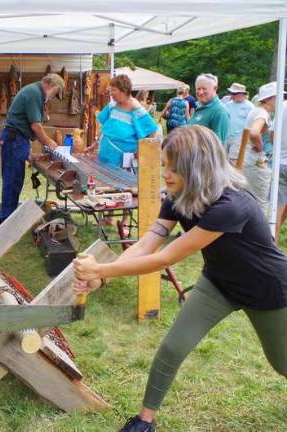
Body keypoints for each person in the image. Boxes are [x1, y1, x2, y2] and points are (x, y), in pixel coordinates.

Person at [73, 125, 287, 432]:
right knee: (173, 347)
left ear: (197, 168)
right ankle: (145, 422)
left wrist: (101, 270)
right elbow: (148, 243)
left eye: (173, 168)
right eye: (164, 165)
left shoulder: (231, 205)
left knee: (282, 363)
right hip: (219, 283)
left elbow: (166, 258)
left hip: (268, 289)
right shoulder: (178, 196)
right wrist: (102, 278)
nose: (165, 174)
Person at [0, 73, 63, 223]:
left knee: (15, 182)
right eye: (55, 93)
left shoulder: (35, 92)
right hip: (14, 139)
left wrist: (28, 153)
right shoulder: (35, 93)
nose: (53, 97)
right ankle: (6, 223)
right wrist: (49, 143)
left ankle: (9, 220)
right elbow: (35, 126)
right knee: (12, 182)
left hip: (16, 140)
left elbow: (26, 126)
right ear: (51, 85)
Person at [88, 74, 159, 168]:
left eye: (114, 90)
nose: (111, 93)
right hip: (105, 153)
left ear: (124, 91)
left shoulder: (136, 109)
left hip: (123, 161)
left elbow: (152, 131)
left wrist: (141, 151)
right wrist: (95, 144)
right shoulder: (112, 105)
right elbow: (105, 127)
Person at [240, 82, 279, 214]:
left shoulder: (256, 110)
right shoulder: (262, 114)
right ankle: (261, 232)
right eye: (277, 97)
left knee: (248, 199)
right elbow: (254, 132)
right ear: (269, 99)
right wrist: (260, 146)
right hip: (256, 163)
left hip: (247, 160)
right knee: (261, 202)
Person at [187, 73, 230, 144]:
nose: (200, 92)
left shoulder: (219, 111)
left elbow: (218, 145)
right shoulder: (200, 105)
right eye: (198, 89)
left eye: (204, 89)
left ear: (215, 88)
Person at [224, 82, 255, 160]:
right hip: (226, 137)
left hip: (239, 139)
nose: (232, 95)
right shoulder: (227, 105)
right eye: (231, 93)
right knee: (223, 160)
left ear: (242, 94)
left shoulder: (250, 107)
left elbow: (253, 124)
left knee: (233, 161)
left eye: (234, 93)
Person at [274, 98, 287, 242]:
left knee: (277, 213)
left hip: (281, 164)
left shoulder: (282, 105)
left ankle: (272, 245)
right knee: (277, 215)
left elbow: (272, 136)